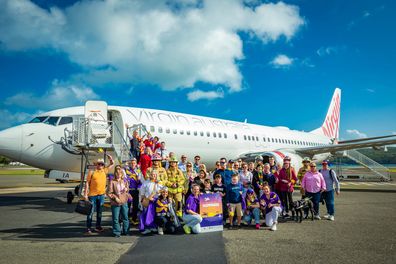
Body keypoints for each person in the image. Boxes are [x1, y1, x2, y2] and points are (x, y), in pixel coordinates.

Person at [83, 154, 114, 235]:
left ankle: (98, 227)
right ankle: (88, 228)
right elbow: (87, 183)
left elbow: (112, 164)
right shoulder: (92, 172)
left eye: (102, 164)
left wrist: (110, 158)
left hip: (101, 195)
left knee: (99, 212)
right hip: (92, 195)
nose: (100, 165)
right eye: (99, 163)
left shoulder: (104, 170)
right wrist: (85, 194)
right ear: (95, 164)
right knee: (90, 212)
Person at [107, 165, 130, 237]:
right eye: (117, 173)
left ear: (122, 174)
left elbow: (127, 190)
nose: (118, 174)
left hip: (124, 201)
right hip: (115, 202)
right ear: (115, 174)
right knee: (115, 218)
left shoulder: (124, 181)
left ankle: (126, 231)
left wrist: (126, 189)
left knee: (125, 217)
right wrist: (115, 198)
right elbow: (109, 193)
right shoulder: (112, 182)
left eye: (120, 173)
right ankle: (117, 232)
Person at [124, 158, 142, 225]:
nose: (133, 164)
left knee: (135, 206)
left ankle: (134, 219)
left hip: (135, 190)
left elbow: (140, 182)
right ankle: (127, 219)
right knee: (127, 206)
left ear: (136, 164)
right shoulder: (126, 171)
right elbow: (125, 179)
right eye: (131, 163)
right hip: (128, 191)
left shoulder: (138, 171)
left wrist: (138, 184)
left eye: (134, 163)